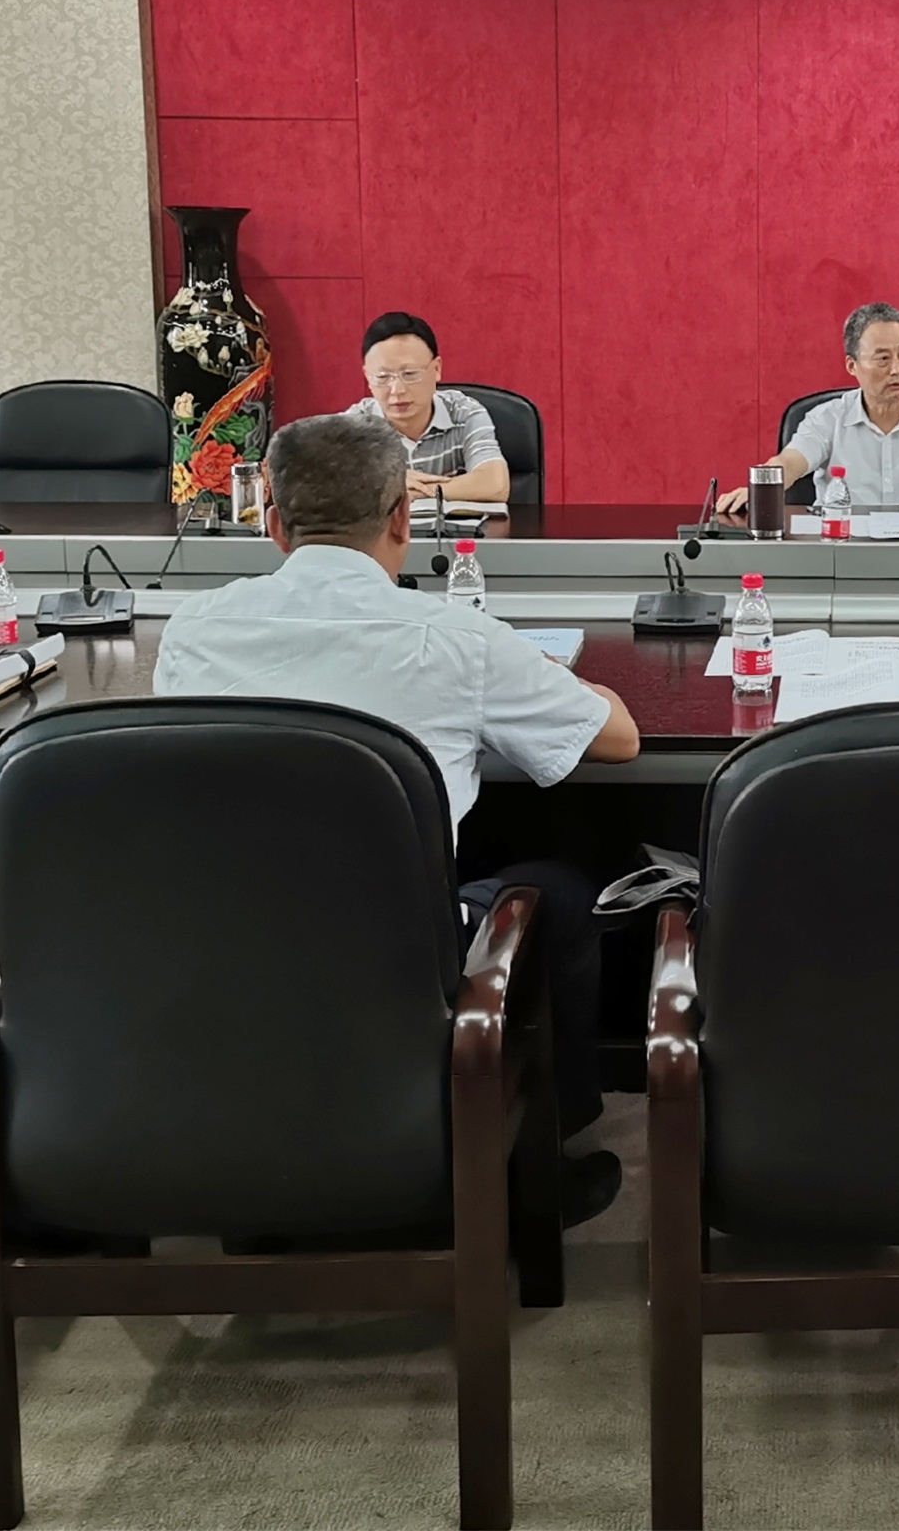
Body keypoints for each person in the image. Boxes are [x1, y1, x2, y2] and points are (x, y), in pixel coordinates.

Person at [153, 412, 640, 1223]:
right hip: (400, 961)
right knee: (557, 892)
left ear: (273, 524)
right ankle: (535, 1168)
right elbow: (617, 740)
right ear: (402, 520)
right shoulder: (457, 638)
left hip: (226, 951)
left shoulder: (193, 629)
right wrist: (563, 679)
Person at [717, 301, 899, 513]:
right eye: (883, 359)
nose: (897, 369)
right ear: (852, 365)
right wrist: (761, 489)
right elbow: (790, 462)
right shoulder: (826, 419)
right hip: (841, 550)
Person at [345, 310, 511, 506]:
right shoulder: (354, 426)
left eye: (410, 374)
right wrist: (391, 483)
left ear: (437, 369)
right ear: (367, 377)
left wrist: (413, 492)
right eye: (382, 377)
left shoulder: (463, 413)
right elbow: (325, 491)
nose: (397, 390)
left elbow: (495, 484)